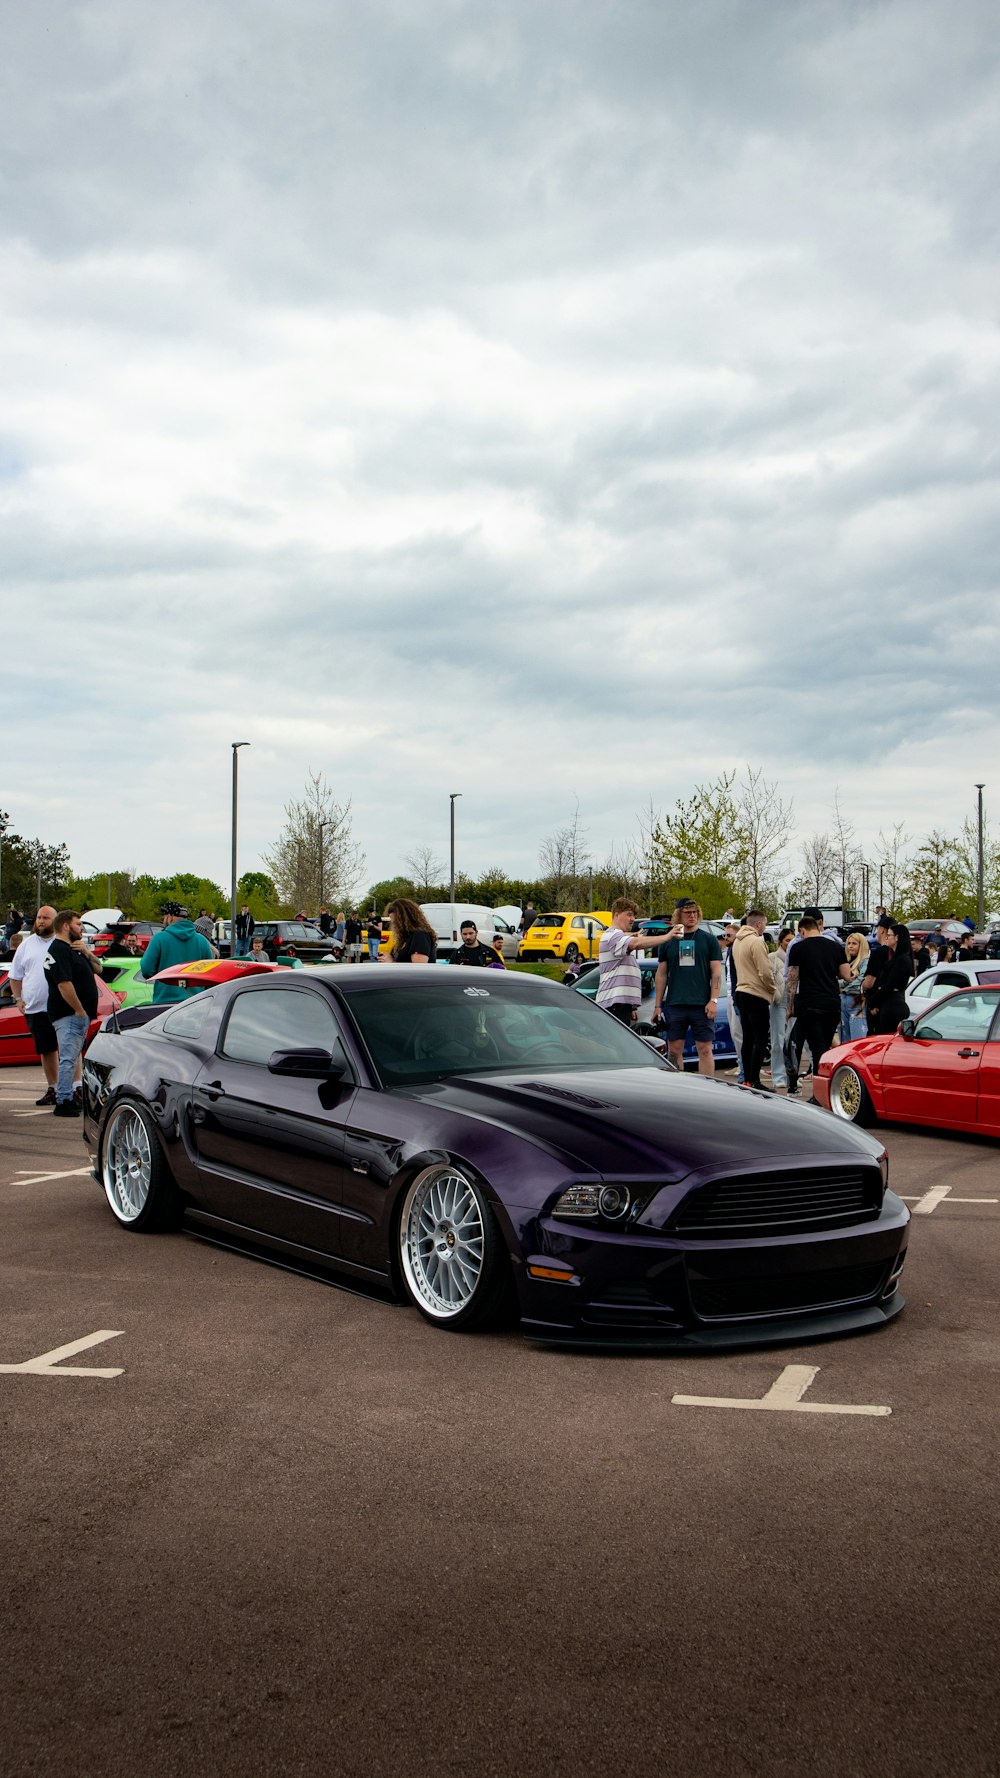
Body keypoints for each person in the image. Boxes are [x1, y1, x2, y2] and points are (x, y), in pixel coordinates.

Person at [651, 898, 723, 1075]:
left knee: (705, 1048)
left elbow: (716, 973)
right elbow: (661, 974)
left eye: (695, 912)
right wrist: (657, 1005)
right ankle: (677, 1087)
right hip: (675, 1004)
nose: (692, 916)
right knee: (674, 1049)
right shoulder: (668, 941)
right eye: (687, 912)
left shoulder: (708, 940)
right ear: (678, 915)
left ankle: (708, 1088)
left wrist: (714, 1000)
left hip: (702, 1005)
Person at [783, 916, 852, 1096]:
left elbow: (792, 980)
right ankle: (823, 1091)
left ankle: (819, 1095)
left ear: (802, 931)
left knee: (817, 1049)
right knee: (824, 1044)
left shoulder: (798, 948)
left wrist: (789, 1007)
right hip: (832, 1004)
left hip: (810, 1004)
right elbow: (846, 974)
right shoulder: (835, 946)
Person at [42, 910, 102, 1116]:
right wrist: (78, 1009)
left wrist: (87, 952)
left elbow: (99, 969)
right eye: (78, 924)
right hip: (68, 1014)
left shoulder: (74, 949)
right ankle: (63, 1101)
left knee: (72, 1056)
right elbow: (63, 984)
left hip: (77, 1014)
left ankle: (66, 1096)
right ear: (66, 926)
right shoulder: (59, 950)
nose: (82, 928)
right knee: (68, 1058)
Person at [8, 905, 63, 1105]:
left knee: (67, 1049)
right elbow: (15, 976)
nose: (40, 921)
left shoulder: (62, 942)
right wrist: (18, 999)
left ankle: (74, 1088)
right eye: (39, 917)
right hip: (36, 1008)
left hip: (61, 1007)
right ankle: (53, 1088)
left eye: (46, 918)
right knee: (46, 1050)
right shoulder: (27, 944)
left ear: (56, 921)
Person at [594, 898, 658, 1024]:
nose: (632, 919)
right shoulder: (612, 935)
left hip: (621, 1006)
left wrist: (631, 1006)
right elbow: (636, 944)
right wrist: (668, 936)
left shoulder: (619, 937)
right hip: (614, 1006)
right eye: (629, 914)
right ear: (616, 915)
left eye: (634, 915)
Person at [732, 910, 776, 1090]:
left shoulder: (737, 941)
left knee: (748, 1038)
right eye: (764, 925)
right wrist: (772, 988)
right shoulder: (757, 941)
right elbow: (765, 971)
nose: (764, 928)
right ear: (758, 924)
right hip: (756, 993)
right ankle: (755, 1080)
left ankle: (747, 1078)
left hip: (741, 991)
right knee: (760, 1038)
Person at [140, 903, 215, 1004]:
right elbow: (210, 976)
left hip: (164, 1005)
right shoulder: (202, 941)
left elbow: (146, 970)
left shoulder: (159, 939)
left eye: (164, 916)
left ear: (170, 917)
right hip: (196, 1004)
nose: (163, 920)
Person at [861, 920, 914, 1034]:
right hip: (887, 1004)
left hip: (893, 1006)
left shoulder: (903, 959)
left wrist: (872, 1002)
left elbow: (889, 985)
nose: (887, 938)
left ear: (897, 937)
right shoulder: (897, 958)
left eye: (889, 935)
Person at [768, 928, 794, 1092]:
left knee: (792, 1040)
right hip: (778, 1001)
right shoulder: (772, 957)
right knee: (778, 1039)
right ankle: (778, 1076)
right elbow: (768, 978)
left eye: (792, 940)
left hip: (794, 1001)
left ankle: (793, 1075)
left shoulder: (798, 955)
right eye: (787, 941)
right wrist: (776, 996)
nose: (790, 943)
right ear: (780, 942)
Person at [383, 898, 436, 963]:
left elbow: (419, 967)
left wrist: (391, 962)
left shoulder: (420, 935)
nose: (392, 922)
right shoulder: (406, 937)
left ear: (404, 919)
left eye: (395, 919)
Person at [839, 932, 870, 1042]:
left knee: (857, 1039)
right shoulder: (845, 961)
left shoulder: (865, 961)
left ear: (861, 945)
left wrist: (843, 983)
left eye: (854, 943)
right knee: (844, 1039)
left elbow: (860, 981)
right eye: (849, 943)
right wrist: (848, 980)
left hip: (856, 1001)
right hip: (842, 1001)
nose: (850, 946)